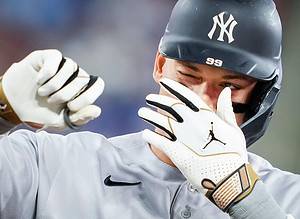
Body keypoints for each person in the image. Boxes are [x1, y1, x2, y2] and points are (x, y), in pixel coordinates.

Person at [0, 0, 299, 218]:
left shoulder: (288, 197)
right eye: (188, 76)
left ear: (262, 94)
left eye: (229, 86)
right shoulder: (53, 164)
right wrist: (2, 109)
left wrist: (246, 199)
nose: (200, 99)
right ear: (159, 66)